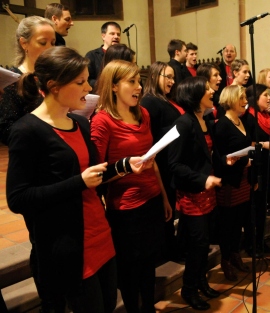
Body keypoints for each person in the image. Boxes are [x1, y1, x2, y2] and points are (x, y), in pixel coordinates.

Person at [6, 46, 151, 313]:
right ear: (55, 86)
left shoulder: (80, 123)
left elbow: (95, 173)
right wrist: (78, 183)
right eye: (81, 82)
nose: (89, 87)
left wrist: (124, 166)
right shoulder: (27, 130)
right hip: (70, 244)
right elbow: (18, 198)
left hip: (101, 235)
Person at [91, 60, 172, 313]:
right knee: (130, 269)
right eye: (132, 82)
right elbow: (96, 174)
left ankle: (148, 307)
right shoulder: (102, 120)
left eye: (139, 81)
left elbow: (152, 158)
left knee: (149, 264)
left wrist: (165, 198)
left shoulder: (142, 113)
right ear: (114, 86)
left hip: (152, 199)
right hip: (126, 208)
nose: (139, 87)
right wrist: (125, 166)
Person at [167, 76, 221, 311]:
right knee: (198, 244)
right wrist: (203, 178)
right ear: (194, 95)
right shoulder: (184, 123)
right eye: (206, 89)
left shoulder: (204, 119)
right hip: (191, 193)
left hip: (206, 191)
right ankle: (189, 289)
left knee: (204, 242)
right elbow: (174, 164)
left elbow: (207, 154)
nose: (211, 91)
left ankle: (201, 281)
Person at [141, 61, 184, 261]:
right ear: (155, 76)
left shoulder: (165, 100)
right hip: (162, 161)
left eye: (173, 77)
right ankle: (166, 250)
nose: (171, 81)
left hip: (170, 159)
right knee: (164, 208)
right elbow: (151, 134)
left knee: (169, 206)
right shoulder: (150, 101)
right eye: (167, 76)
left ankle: (170, 247)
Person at [212, 85, 253, 281]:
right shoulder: (222, 124)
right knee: (228, 225)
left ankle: (235, 255)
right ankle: (226, 260)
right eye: (242, 97)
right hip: (229, 182)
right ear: (231, 100)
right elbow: (218, 157)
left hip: (243, 179)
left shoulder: (240, 120)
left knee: (238, 222)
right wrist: (233, 161)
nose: (245, 101)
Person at [0, 16, 55, 145]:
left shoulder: (54, 77)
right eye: (43, 43)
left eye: (52, 43)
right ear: (24, 43)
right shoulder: (12, 80)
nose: (50, 48)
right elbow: (6, 129)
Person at [245, 84, 270, 256]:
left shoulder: (266, 116)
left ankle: (260, 240)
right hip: (255, 165)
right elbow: (246, 142)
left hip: (267, 163)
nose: (269, 98)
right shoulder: (249, 117)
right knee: (255, 207)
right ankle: (252, 244)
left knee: (262, 205)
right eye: (265, 95)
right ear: (255, 97)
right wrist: (264, 144)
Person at [85, 21, 122, 88]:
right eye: (112, 34)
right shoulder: (92, 55)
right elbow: (87, 79)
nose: (116, 37)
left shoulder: (123, 55)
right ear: (103, 36)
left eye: (118, 34)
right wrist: (106, 84)